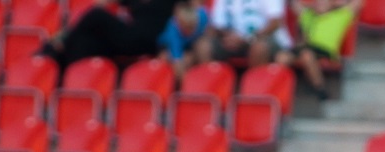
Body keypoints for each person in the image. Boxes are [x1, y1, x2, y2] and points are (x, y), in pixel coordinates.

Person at [40, 0, 179, 72]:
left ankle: (58, 47)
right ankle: (66, 72)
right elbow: (104, 3)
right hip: (127, 37)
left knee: (96, 15)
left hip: (150, 41)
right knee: (88, 41)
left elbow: (193, 17)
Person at [278, 0, 361, 100]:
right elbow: (293, 4)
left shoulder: (340, 16)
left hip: (324, 51)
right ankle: (281, 92)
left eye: (324, 2)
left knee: (306, 56)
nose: (320, 3)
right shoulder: (308, 15)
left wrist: (338, 3)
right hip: (306, 48)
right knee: (281, 57)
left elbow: (357, 3)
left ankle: (321, 89)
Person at [195, 0, 292, 68]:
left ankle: (255, 91)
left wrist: (247, 38)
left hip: (262, 37)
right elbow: (217, 24)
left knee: (259, 48)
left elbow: (275, 23)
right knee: (202, 45)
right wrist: (229, 37)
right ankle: (212, 88)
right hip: (232, 39)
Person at [156, 1, 210, 81]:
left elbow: (208, 33)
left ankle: (207, 78)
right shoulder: (173, 32)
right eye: (187, 27)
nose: (190, 31)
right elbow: (177, 61)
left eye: (192, 27)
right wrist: (189, 86)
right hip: (167, 47)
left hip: (189, 46)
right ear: (180, 24)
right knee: (167, 59)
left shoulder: (203, 17)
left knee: (203, 48)